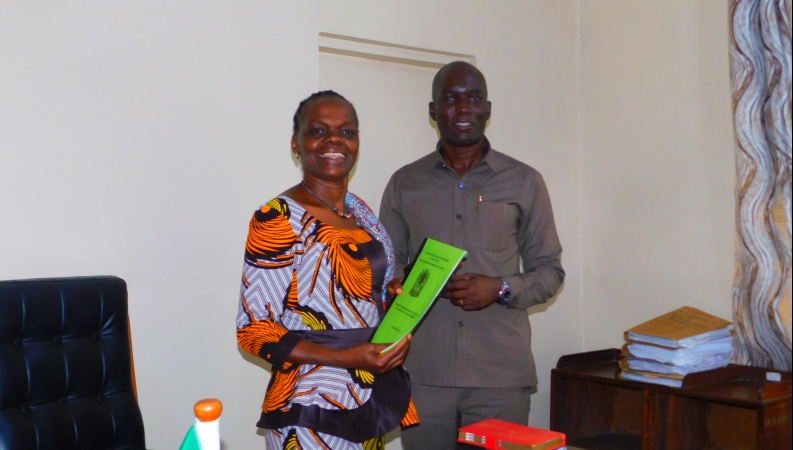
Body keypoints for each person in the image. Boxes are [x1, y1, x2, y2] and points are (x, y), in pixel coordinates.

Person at [379, 61, 565, 450]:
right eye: (450, 99)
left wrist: (500, 288)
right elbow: (383, 270)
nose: (463, 108)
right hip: (424, 372)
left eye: (474, 98)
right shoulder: (404, 183)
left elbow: (550, 271)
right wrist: (402, 283)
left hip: (499, 375)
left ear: (487, 109)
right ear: (433, 111)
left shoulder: (525, 181)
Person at [237, 90, 418, 450]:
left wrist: (389, 293)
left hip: (367, 394)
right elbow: (253, 329)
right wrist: (344, 357)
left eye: (346, 132)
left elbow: (353, 296)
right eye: (318, 131)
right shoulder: (278, 217)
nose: (334, 140)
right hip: (310, 403)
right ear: (296, 143)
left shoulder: (359, 213)